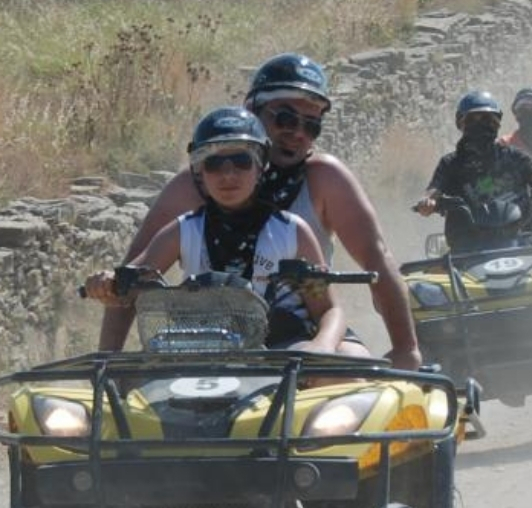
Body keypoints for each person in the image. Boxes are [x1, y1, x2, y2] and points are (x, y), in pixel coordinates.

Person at [98, 53, 422, 367]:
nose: (297, 132)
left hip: (302, 331)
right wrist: (107, 364)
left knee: (353, 369)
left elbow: (374, 262)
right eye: (285, 118)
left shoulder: (319, 189)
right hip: (205, 336)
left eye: (312, 126)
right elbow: (131, 276)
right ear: (252, 111)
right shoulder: (190, 193)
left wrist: (406, 349)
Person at [83, 107, 352, 353]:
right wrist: (108, 284)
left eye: (241, 162)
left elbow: (328, 309)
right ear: (200, 171)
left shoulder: (294, 232)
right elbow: (130, 283)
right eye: (214, 164)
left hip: (285, 354)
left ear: (261, 167)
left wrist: (322, 346)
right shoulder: (181, 231)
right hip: (201, 351)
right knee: (135, 385)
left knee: (335, 373)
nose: (228, 175)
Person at [413, 91, 532, 252]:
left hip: (522, 238)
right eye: (473, 119)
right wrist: (427, 202)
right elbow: (434, 190)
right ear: (460, 123)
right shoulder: (451, 163)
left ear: (497, 123)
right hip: (468, 246)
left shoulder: (513, 156)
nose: (481, 125)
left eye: (488, 119)